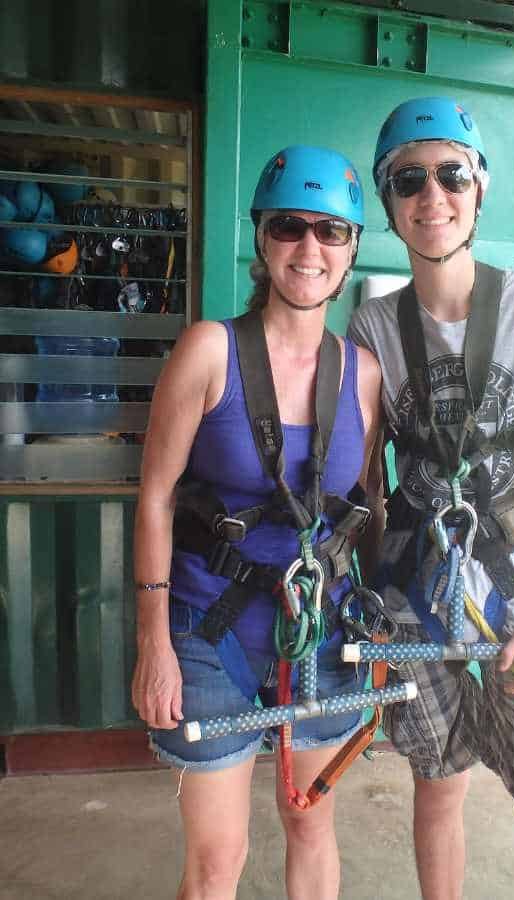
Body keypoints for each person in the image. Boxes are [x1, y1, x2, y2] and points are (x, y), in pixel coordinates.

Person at [349, 97, 514, 900]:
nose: (433, 197)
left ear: (480, 185)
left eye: (452, 174)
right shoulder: (373, 328)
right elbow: (361, 483)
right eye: (409, 180)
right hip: (416, 597)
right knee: (439, 785)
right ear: (389, 203)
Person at [131, 145, 382, 900]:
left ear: (353, 248)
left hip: (323, 631)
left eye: (331, 232)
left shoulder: (364, 372)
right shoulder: (209, 350)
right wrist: (153, 644)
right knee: (218, 863)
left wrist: (382, 629)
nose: (310, 249)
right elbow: (153, 497)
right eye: (289, 228)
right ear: (262, 239)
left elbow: (365, 514)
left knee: (310, 823)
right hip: (211, 631)